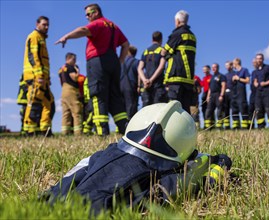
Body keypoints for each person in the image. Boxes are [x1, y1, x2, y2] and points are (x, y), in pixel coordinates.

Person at [42, 101, 233, 215]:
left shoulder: (103, 155)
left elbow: (75, 172)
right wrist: (217, 165)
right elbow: (203, 182)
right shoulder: (165, 181)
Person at [55, 3, 129, 135]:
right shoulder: (113, 26)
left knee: (98, 95)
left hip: (98, 62)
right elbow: (125, 44)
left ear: (96, 12)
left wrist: (66, 37)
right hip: (113, 61)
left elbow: (83, 30)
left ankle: (102, 133)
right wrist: (120, 61)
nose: (87, 17)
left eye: (89, 14)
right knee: (115, 97)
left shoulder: (98, 23)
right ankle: (125, 130)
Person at [23, 16, 54, 136]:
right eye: (44, 24)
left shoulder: (41, 38)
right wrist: (39, 75)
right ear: (37, 24)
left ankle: (45, 130)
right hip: (35, 77)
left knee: (49, 102)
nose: (46, 27)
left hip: (43, 78)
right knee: (34, 102)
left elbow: (44, 61)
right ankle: (30, 131)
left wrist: (47, 78)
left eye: (47, 25)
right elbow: (33, 56)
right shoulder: (34, 36)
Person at [161, 10, 196, 113]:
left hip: (176, 75)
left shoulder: (177, 34)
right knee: (185, 108)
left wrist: (168, 54)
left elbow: (164, 52)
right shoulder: (192, 36)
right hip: (188, 77)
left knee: (174, 106)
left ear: (177, 21)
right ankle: (186, 128)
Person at [138, 31, 168, 107]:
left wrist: (145, 80)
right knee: (158, 111)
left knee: (146, 111)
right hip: (158, 86)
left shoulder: (146, 51)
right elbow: (161, 67)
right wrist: (151, 80)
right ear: (161, 40)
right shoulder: (162, 50)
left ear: (152, 39)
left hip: (146, 86)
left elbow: (140, 68)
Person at [58, 52, 83, 135]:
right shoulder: (70, 67)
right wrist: (77, 71)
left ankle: (65, 132)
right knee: (76, 111)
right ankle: (78, 133)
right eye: (74, 59)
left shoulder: (61, 69)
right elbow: (75, 78)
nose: (75, 61)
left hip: (63, 90)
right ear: (68, 59)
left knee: (66, 113)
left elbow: (60, 81)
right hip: (71, 90)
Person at [254, 53, 269, 128]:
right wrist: (255, 83)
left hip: (267, 91)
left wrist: (267, 82)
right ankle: (261, 127)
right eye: (257, 58)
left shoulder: (268, 67)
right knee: (259, 109)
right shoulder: (256, 70)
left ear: (263, 59)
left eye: (260, 58)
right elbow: (255, 79)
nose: (259, 60)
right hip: (258, 92)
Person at [120, 46, 140, 120]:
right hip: (131, 86)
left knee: (122, 106)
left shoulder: (121, 62)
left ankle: (121, 126)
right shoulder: (136, 62)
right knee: (131, 106)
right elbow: (139, 75)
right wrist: (139, 86)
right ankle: (129, 123)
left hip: (120, 85)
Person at [204, 63, 226, 130]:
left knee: (219, 111)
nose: (213, 68)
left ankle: (219, 127)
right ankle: (209, 127)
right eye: (212, 67)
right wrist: (208, 96)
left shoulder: (221, 76)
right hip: (211, 95)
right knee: (208, 110)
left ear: (218, 68)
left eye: (215, 67)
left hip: (218, 94)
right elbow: (210, 88)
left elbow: (223, 86)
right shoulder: (212, 77)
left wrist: (221, 95)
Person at [232, 58, 250, 129]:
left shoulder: (244, 70)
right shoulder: (235, 72)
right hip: (235, 93)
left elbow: (248, 80)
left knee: (243, 108)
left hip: (242, 94)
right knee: (235, 109)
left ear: (237, 62)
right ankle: (236, 127)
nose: (233, 64)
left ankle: (245, 126)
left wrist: (238, 78)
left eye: (233, 63)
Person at [224, 61, 236, 129]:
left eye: (227, 65)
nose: (226, 67)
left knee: (234, 109)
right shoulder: (225, 75)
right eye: (225, 65)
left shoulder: (235, 73)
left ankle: (235, 125)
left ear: (231, 66)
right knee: (226, 109)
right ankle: (227, 126)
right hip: (226, 94)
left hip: (233, 93)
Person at [248, 59, 258, 129]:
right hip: (252, 93)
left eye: (255, 62)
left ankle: (261, 126)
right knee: (251, 109)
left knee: (258, 109)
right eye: (253, 63)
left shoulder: (260, 71)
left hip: (259, 93)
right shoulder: (253, 72)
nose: (254, 64)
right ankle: (251, 126)